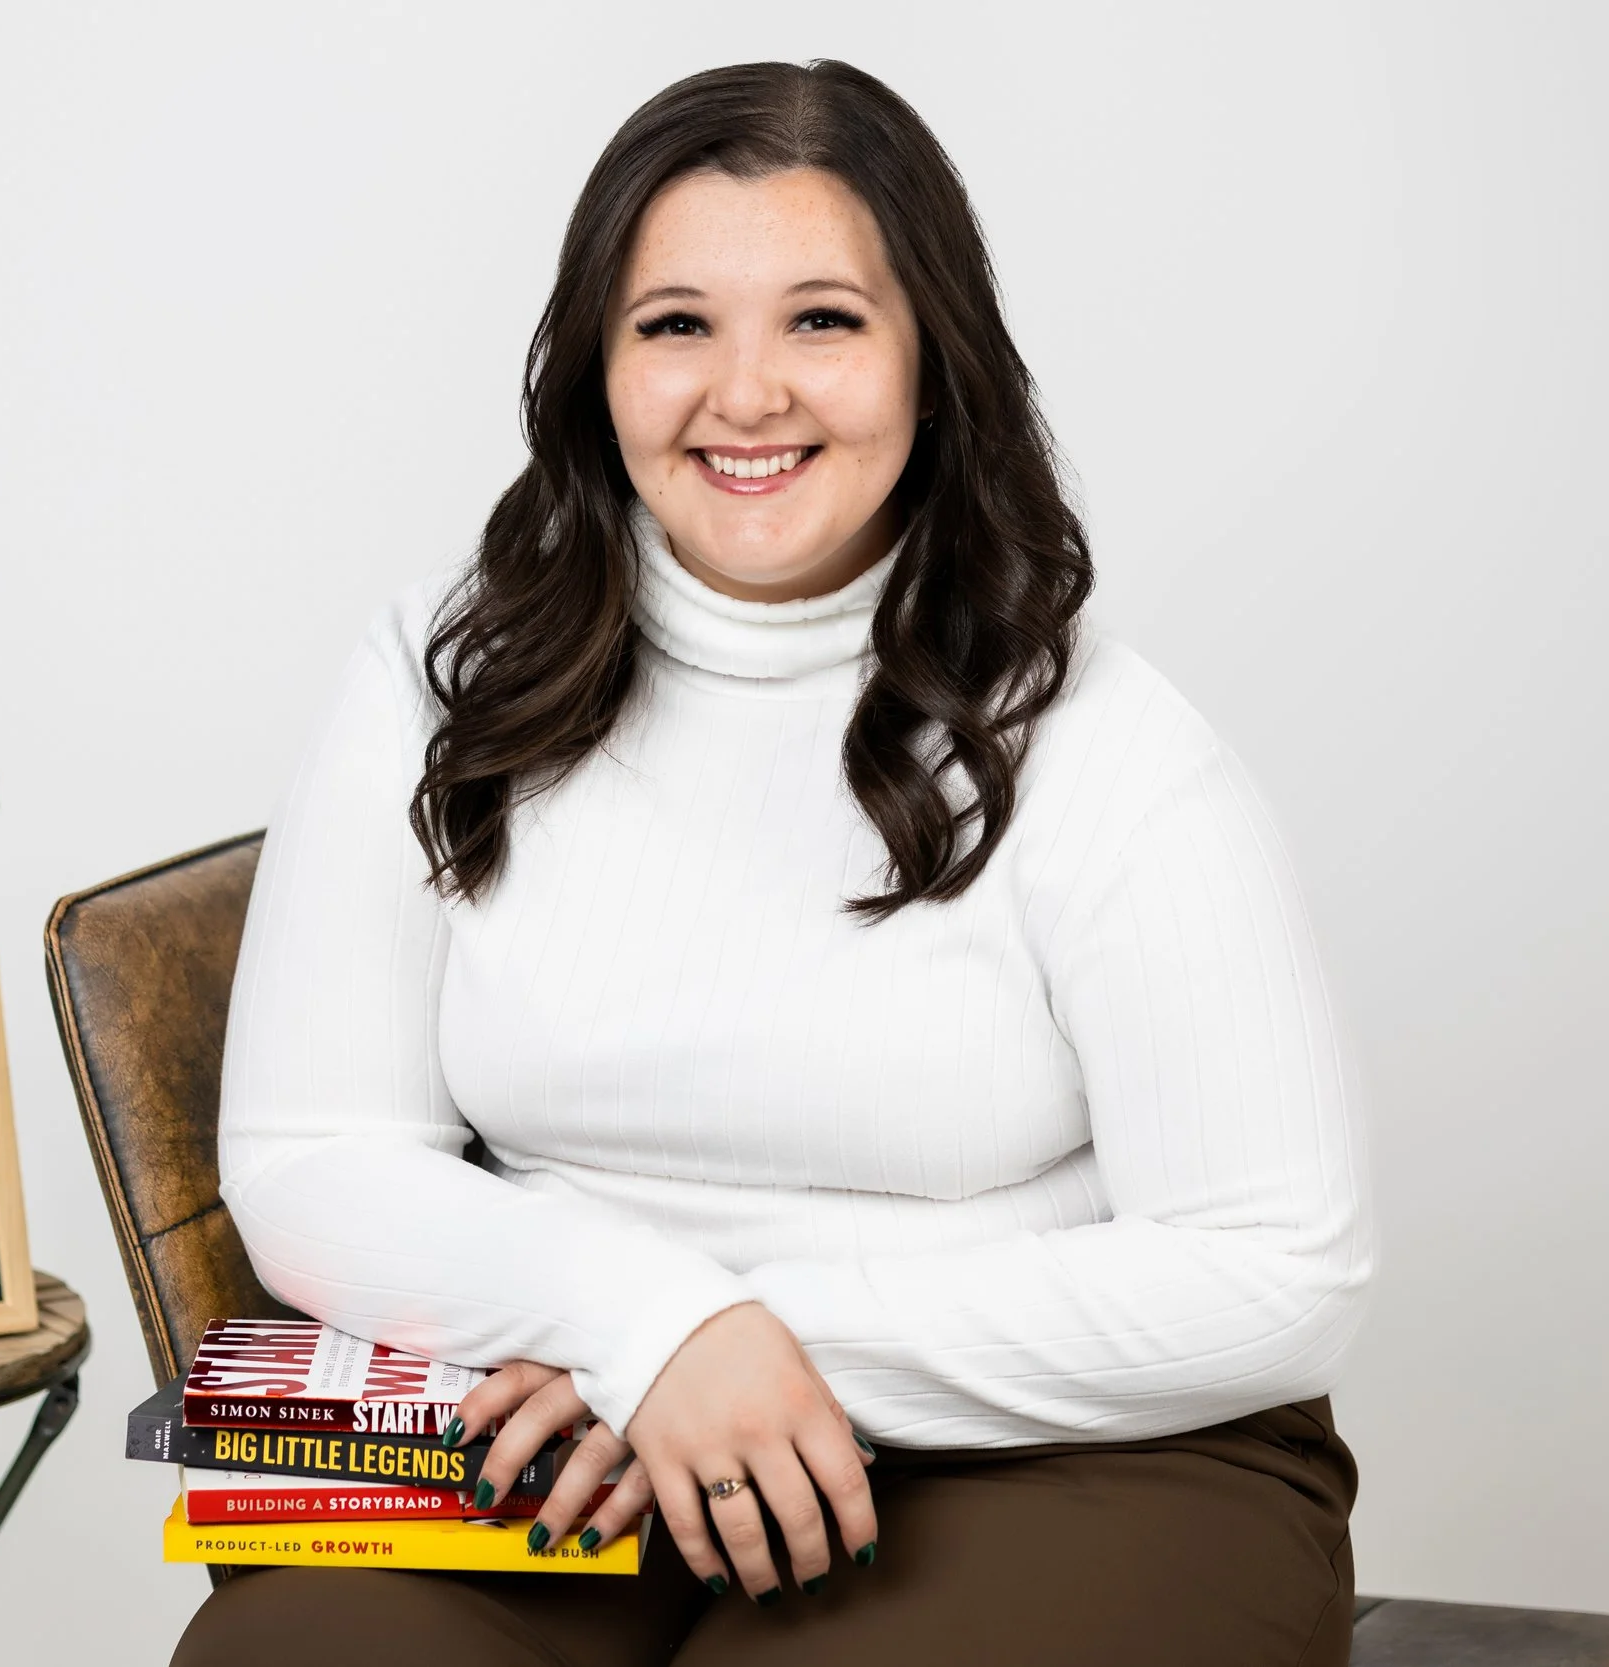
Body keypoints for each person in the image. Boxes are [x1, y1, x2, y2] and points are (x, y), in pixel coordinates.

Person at [177, 58, 1372, 1667]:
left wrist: (744, 1349)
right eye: (677, 324)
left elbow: (1277, 1266)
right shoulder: (444, 668)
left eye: (823, 320)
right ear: (596, 368)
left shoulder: (1101, 736)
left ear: (930, 361)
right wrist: (644, 1334)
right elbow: (314, 1152)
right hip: (567, 1413)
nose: (748, 395)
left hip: (1062, 1444)